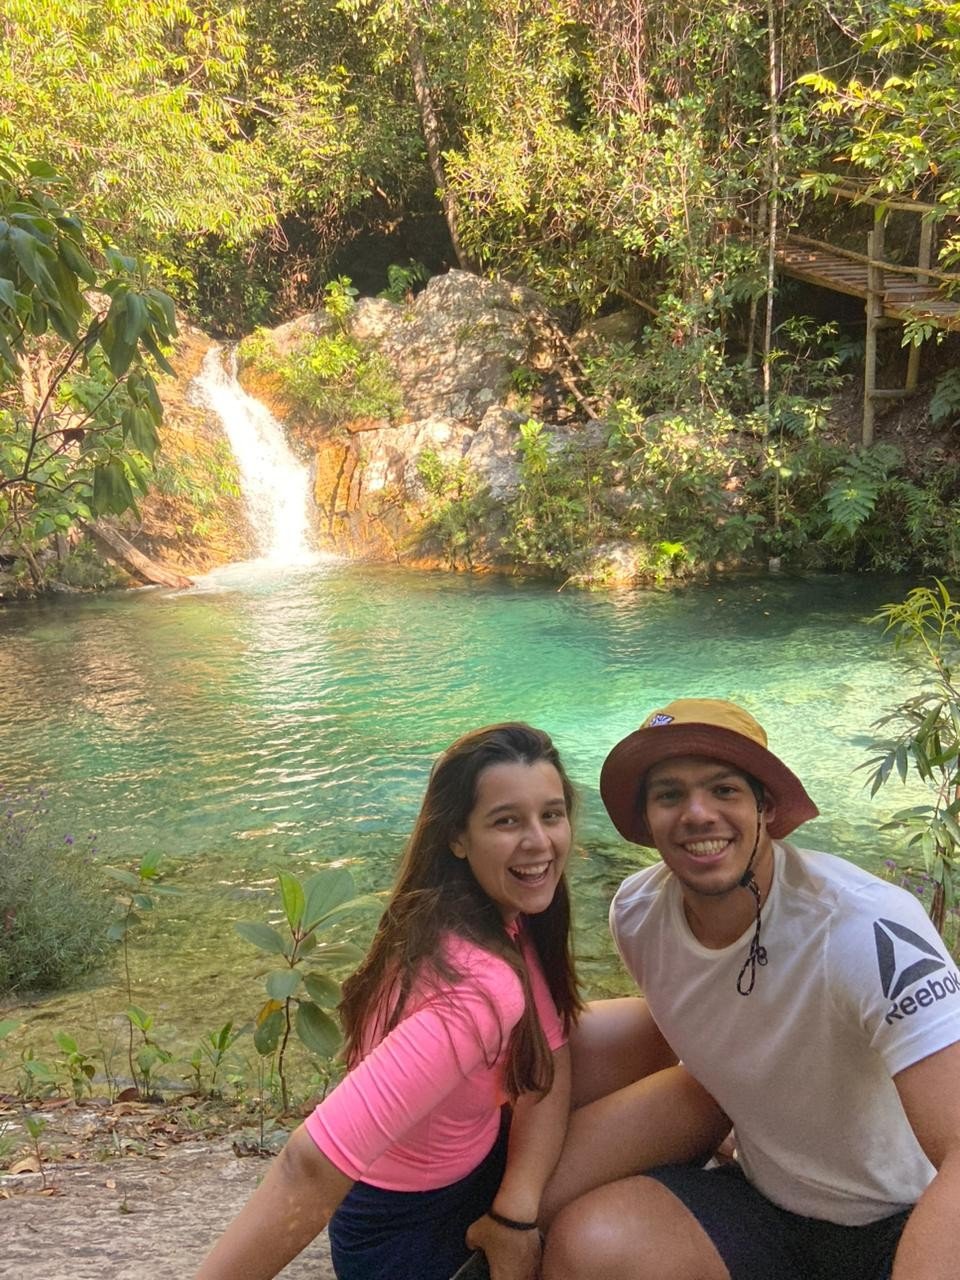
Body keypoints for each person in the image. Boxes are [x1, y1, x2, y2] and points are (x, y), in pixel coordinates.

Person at [542, 698, 960, 1280]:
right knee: (588, 1244)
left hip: (906, 1213)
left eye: (724, 790)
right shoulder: (638, 915)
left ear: (765, 807)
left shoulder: (863, 926)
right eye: (669, 795)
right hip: (768, 1202)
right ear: (646, 818)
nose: (697, 814)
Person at [195, 722, 581, 1280]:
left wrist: (515, 1214)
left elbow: (553, 1053)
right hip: (405, 1237)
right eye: (507, 821)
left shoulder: (475, 914)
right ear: (457, 837)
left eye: (551, 815)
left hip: (461, 1172)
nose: (540, 842)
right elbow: (309, 1162)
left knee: (647, 1039)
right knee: (681, 1097)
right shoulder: (479, 987)